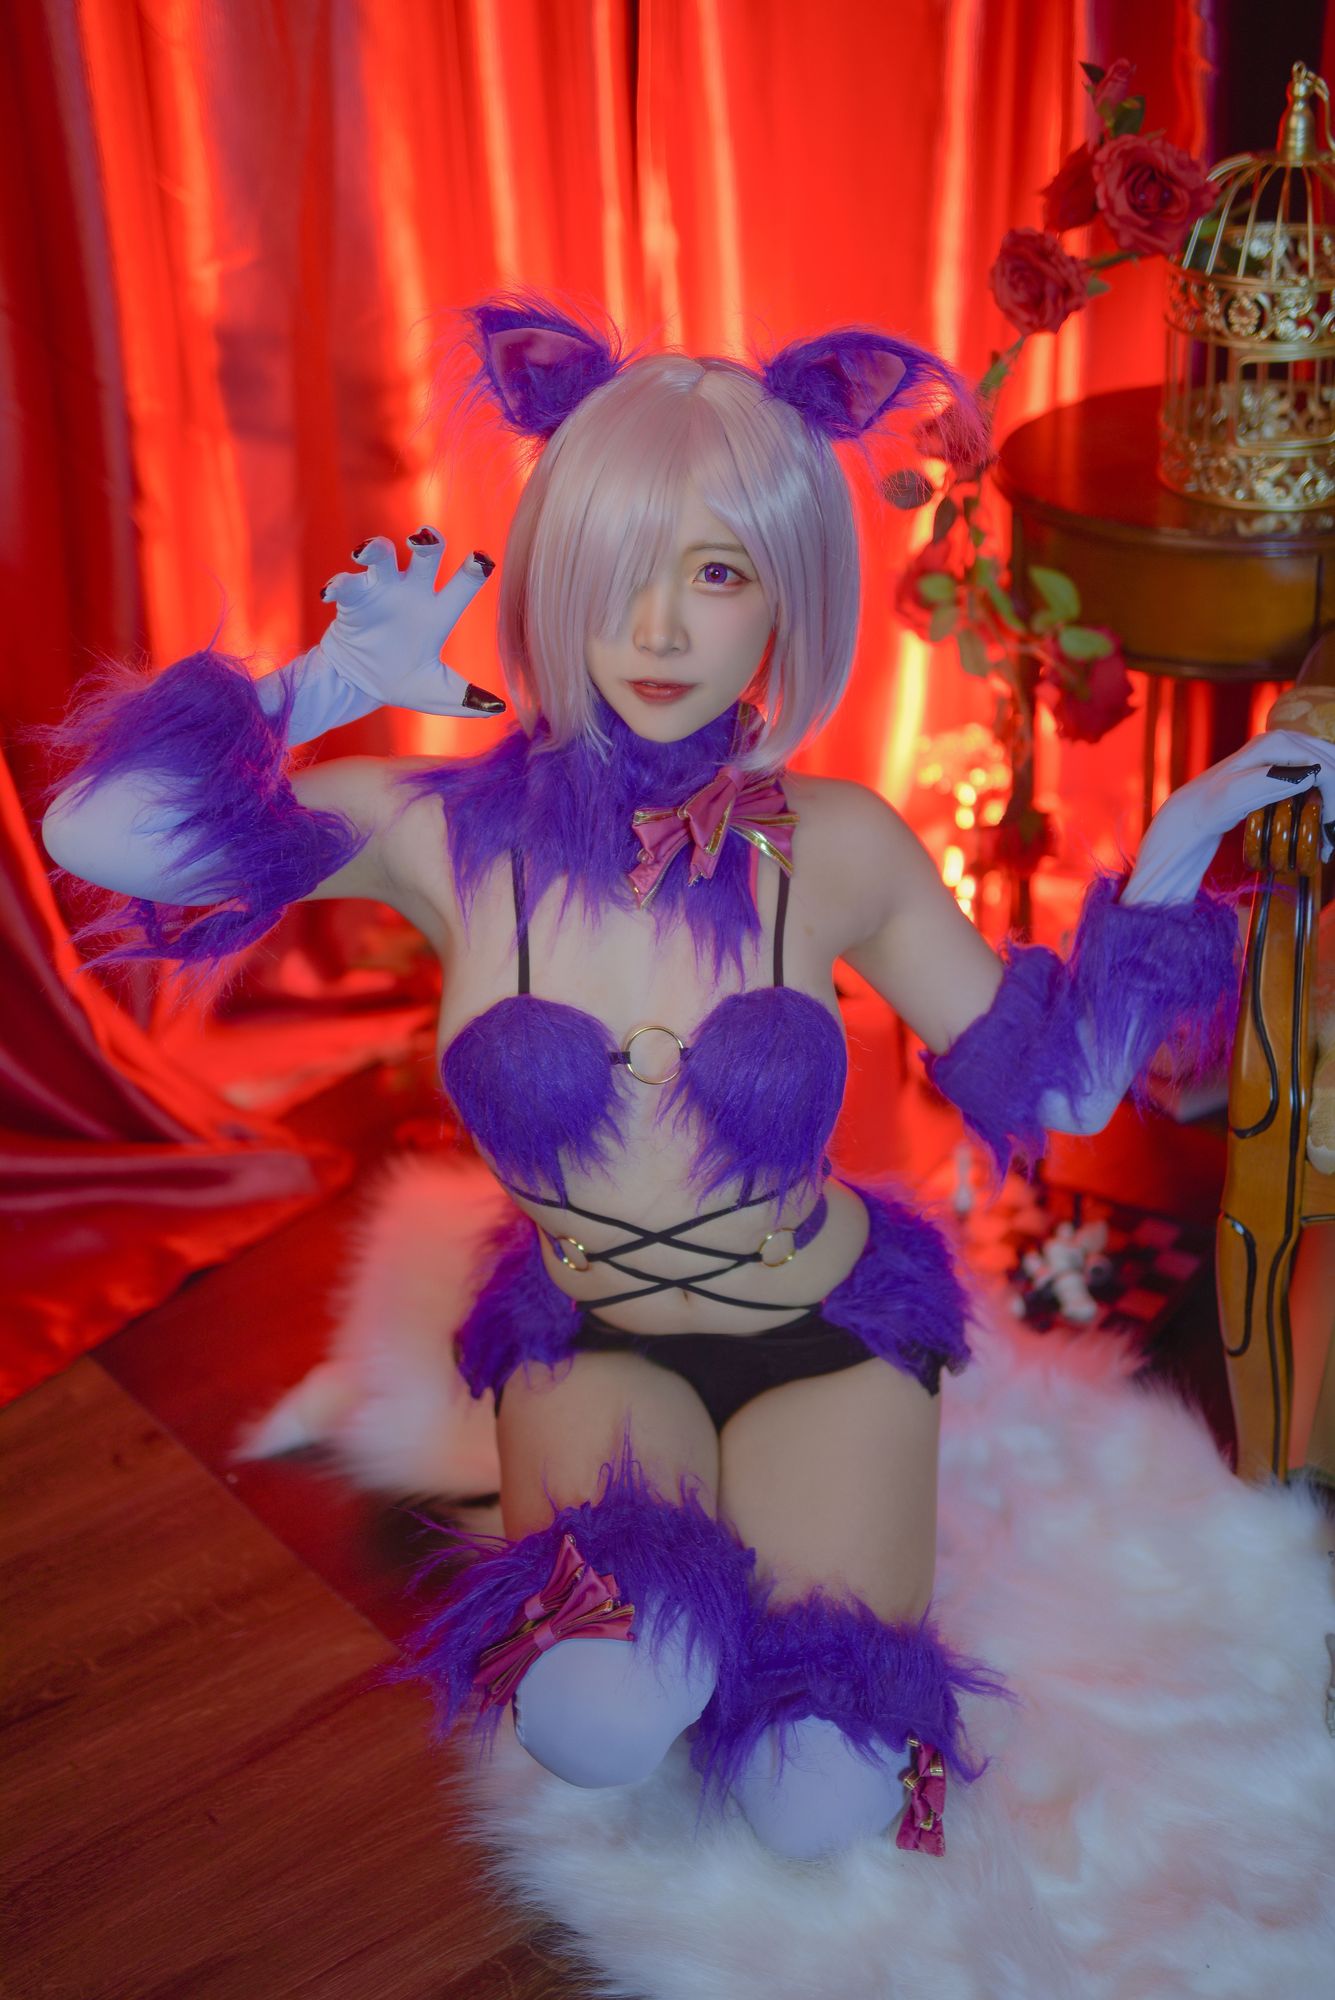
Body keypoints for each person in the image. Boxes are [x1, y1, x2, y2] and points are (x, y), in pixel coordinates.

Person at [40, 292, 1335, 1863]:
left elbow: (1052, 1085)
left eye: (716, 574)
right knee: (596, 1717)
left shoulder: (841, 844)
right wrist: (311, 685)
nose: (658, 630)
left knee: (820, 1795)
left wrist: (1181, 852)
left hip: (827, 1340)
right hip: (593, 1340)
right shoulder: (443, 834)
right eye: (619, 570)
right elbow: (96, 833)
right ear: (556, 577)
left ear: (783, 593)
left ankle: (798, 1620)